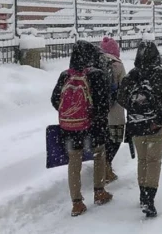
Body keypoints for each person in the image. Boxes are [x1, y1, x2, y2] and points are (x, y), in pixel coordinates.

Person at [117, 41, 162, 218]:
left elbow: (121, 98)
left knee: (143, 160)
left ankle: (142, 194)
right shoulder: (161, 73)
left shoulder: (132, 74)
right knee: (154, 161)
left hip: (136, 124)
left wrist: (135, 107)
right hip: (157, 123)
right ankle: (149, 198)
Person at [51, 40, 113, 217]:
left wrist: (72, 113)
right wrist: (94, 116)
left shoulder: (65, 75)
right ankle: (99, 192)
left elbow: (55, 100)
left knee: (74, 161)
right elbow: (103, 104)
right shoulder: (97, 75)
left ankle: (77, 203)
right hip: (93, 127)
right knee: (99, 155)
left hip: (70, 128)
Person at [99, 37, 126, 183]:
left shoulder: (94, 63)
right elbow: (125, 87)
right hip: (115, 112)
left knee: (102, 141)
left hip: (98, 112)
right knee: (114, 140)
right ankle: (107, 166)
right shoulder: (118, 65)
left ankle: (101, 167)